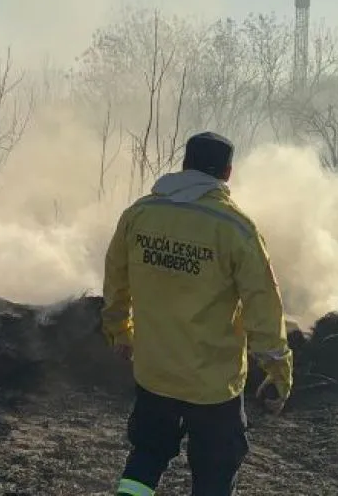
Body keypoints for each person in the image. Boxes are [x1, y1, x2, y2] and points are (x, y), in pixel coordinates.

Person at [101, 131, 293, 496]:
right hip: (212, 384)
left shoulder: (139, 214)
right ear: (228, 172)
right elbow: (263, 305)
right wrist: (278, 368)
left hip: (154, 371)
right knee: (215, 472)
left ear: (184, 164)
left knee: (147, 455)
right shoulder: (236, 228)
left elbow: (116, 281)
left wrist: (119, 331)